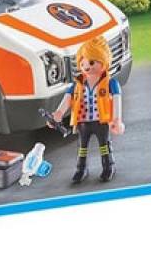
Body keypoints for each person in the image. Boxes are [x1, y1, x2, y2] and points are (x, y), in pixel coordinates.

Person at [48, 36, 124, 183]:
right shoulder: (77, 84)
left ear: (103, 61)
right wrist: (58, 113)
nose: (86, 66)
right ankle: (81, 169)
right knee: (82, 148)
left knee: (104, 146)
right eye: (82, 63)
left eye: (91, 62)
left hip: (101, 121)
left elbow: (116, 100)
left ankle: (108, 167)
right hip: (83, 122)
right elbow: (67, 99)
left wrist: (117, 119)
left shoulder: (111, 83)